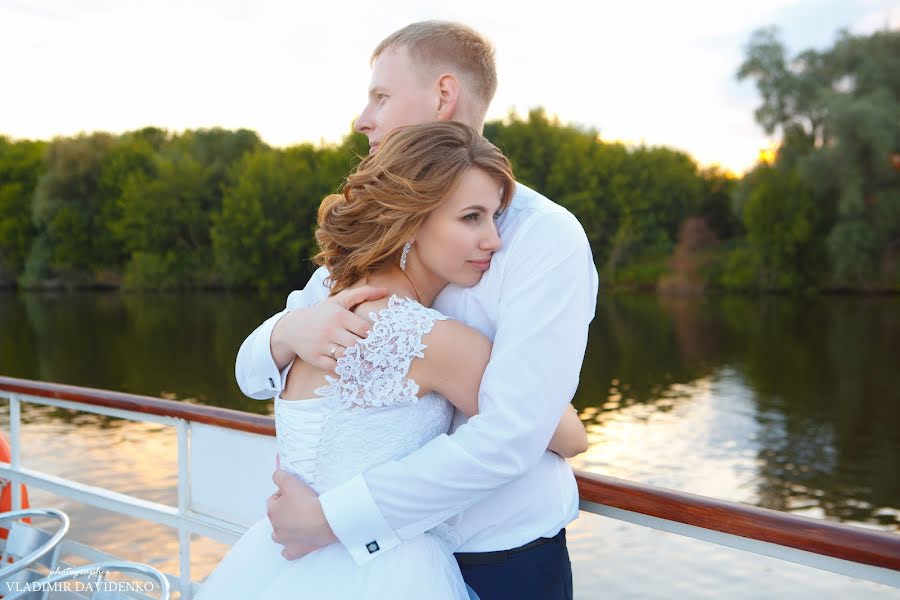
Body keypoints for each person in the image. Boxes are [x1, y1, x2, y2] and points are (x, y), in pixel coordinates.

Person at [236, 21, 599, 600]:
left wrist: (334, 519)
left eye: (381, 95)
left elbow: (516, 433)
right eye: (469, 218)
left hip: (499, 555)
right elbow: (253, 373)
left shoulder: (543, 237)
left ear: (443, 95)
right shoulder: (376, 240)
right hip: (351, 559)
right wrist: (291, 329)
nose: (364, 118)